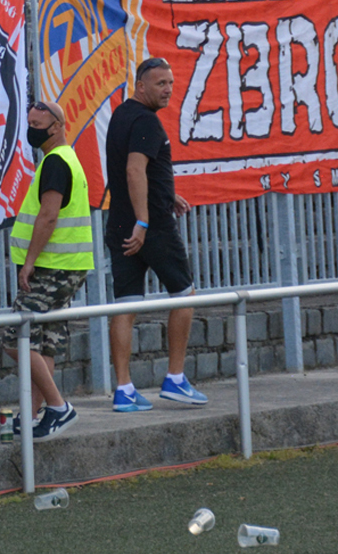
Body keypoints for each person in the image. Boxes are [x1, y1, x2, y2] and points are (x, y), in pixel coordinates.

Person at [106, 58, 207, 412]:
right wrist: (145, 221)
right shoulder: (147, 121)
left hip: (119, 225)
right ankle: (175, 379)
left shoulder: (121, 115)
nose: (167, 89)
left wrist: (167, 194)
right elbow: (135, 171)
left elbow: (136, 170)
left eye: (170, 83)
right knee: (184, 293)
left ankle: (123, 389)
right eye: (160, 83)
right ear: (141, 86)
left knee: (126, 305)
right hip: (148, 228)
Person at [1, 99, 90, 440]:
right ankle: (33, 417)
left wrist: (30, 263)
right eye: (30, 123)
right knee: (45, 344)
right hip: (70, 266)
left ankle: (57, 407)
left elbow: (48, 216)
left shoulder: (55, 162)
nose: (32, 130)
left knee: (16, 339)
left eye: (38, 126)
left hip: (51, 268)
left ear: (57, 127)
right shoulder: (68, 158)